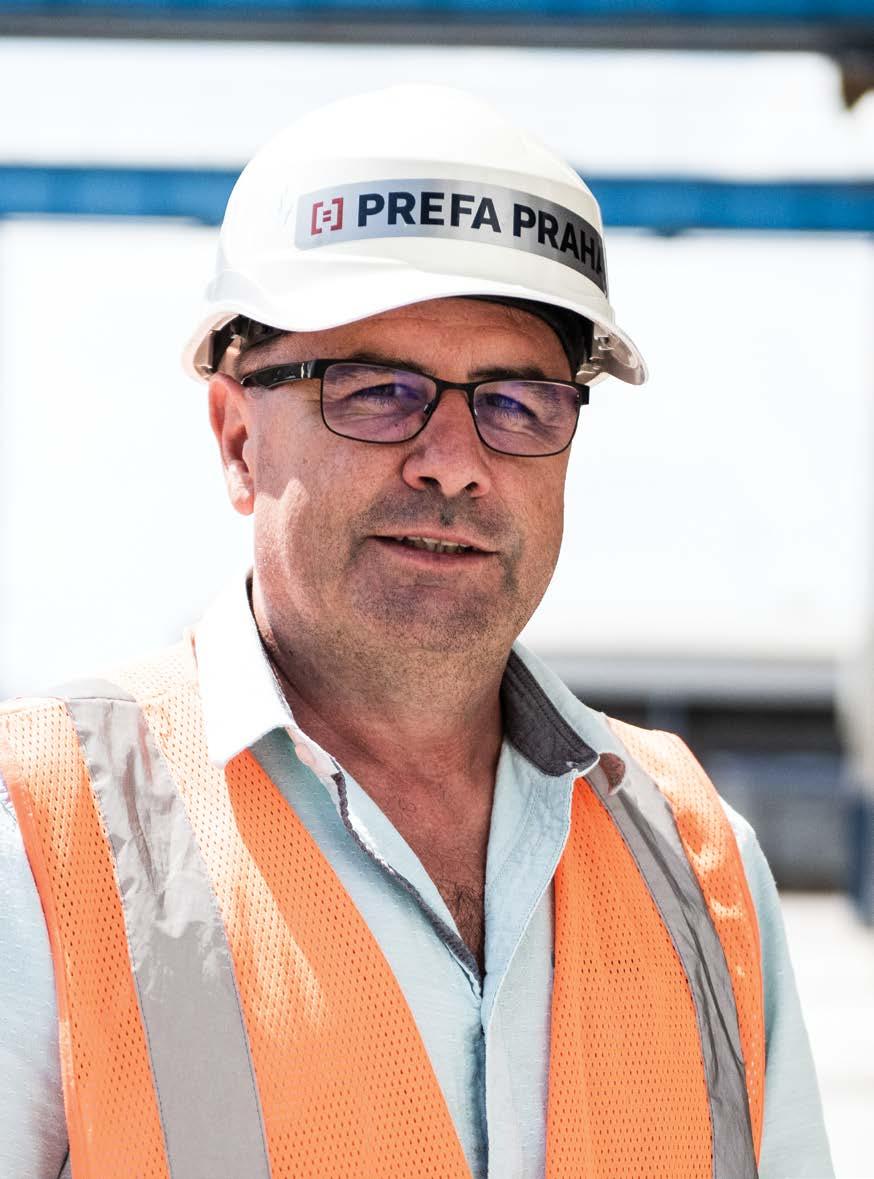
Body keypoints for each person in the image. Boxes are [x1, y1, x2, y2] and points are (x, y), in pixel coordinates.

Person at [0, 84, 833, 1179]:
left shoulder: (699, 861)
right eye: (378, 390)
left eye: (518, 401)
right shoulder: (40, 839)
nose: (453, 461)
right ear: (238, 438)